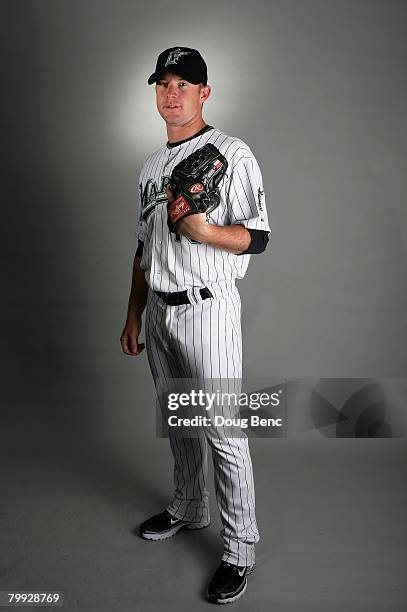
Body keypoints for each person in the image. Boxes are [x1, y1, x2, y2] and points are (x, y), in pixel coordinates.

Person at [120, 46, 271, 605]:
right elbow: (142, 248)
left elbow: (259, 236)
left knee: (224, 432)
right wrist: (134, 312)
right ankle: (188, 506)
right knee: (179, 420)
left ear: (204, 92)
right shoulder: (149, 168)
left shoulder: (232, 153)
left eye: (184, 83)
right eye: (163, 82)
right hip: (159, 309)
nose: (172, 92)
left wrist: (206, 233)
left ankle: (240, 549)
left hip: (208, 307)